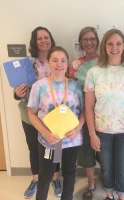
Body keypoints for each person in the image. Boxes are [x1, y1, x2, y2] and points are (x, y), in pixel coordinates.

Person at [84, 28, 124, 200]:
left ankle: (122, 196)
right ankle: (109, 195)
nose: (114, 47)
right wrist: (92, 134)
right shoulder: (93, 73)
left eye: (118, 43)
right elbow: (88, 106)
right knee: (106, 167)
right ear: (104, 46)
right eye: (110, 43)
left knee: (123, 168)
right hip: (101, 131)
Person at [27, 46, 84, 200]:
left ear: (67, 63)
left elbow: (85, 111)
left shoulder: (76, 85)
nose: (59, 64)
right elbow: (32, 114)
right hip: (49, 141)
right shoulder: (39, 86)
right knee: (45, 175)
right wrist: (45, 133)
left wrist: (78, 128)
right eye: (55, 60)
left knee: (69, 174)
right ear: (48, 62)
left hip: (71, 140)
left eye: (63, 60)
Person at [13, 26, 62, 199]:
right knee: (34, 148)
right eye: (39, 38)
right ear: (34, 42)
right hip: (30, 114)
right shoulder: (27, 63)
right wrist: (16, 93)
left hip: (53, 115)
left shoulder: (57, 60)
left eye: (46, 37)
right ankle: (35, 179)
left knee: (54, 147)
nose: (43, 41)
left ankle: (55, 178)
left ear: (51, 39)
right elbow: (18, 91)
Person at [68, 26, 99, 200]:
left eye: (92, 39)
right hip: (81, 113)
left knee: (105, 149)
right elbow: (71, 89)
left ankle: (106, 176)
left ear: (97, 41)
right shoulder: (75, 64)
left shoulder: (105, 62)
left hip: (103, 114)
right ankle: (90, 183)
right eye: (85, 39)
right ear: (81, 43)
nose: (89, 42)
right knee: (86, 149)